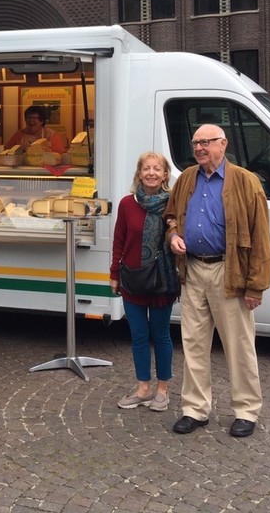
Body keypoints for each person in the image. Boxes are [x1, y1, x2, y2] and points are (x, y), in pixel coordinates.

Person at [164, 124, 270, 438]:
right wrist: (173, 236)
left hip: (230, 272)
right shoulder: (186, 178)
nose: (199, 148)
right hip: (193, 271)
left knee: (238, 345)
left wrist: (255, 285)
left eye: (206, 142)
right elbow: (171, 216)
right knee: (194, 344)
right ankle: (195, 410)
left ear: (223, 144)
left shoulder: (245, 181)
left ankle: (246, 411)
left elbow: (261, 237)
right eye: (196, 142)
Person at [109, 151, 177, 413]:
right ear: (139, 173)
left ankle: (162, 388)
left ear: (165, 174)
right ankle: (143, 388)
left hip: (161, 280)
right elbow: (119, 240)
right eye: (146, 168)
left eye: (156, 169)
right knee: (138, 336)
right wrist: (114, 273)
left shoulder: (172, 203)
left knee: (160, 335)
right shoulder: (127, 204)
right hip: (133, 279)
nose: (151, 173)